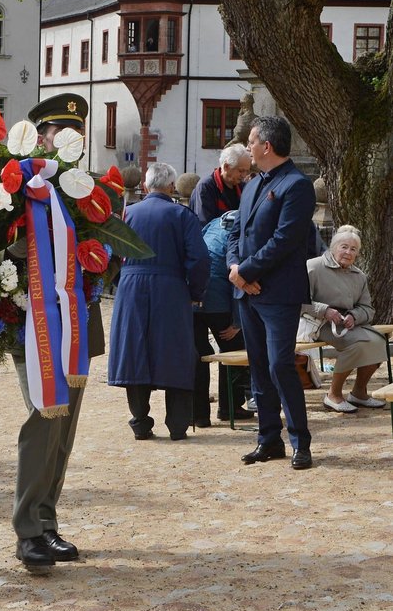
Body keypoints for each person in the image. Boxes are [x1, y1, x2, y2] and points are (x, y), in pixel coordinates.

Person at [4, 93, 100, 572]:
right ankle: (27, 530)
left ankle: (46, 519)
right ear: (38, 136)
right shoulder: (16, 187)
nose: (67, 142)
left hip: (78, 329)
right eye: (58, 133)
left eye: (75, 135)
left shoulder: (90, 191)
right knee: (43, 418)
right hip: (35, 324)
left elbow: (106, 249)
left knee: (63, 429)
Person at [228, 115, 316, 470]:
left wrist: (246, 272)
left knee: (281, 365)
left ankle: (301, 442)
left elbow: (285, 240)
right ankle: (268, 439)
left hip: (278, 293)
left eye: (251, 141)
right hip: (248, 291)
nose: (247, 146)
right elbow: (235, 232)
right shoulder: (251, 184)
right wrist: (236, 271)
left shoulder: (297, 185)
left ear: (267, 145)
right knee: (259, 368)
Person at [108, 162, 210, 440]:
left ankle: (140, 422)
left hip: (131, 286)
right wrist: (195, 292)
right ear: (172, 187)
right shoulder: (181, 215)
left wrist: (121, 282)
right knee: (176, 353)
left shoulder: (127, 213)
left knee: (135, 351)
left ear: (145, 186)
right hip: (171, 288)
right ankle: (177, 425)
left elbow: (111, 254)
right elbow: (200, 258)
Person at [304, 225, 387, 412]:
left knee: (379, 342)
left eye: (353, 249)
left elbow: (367, 309)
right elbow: (297, 302)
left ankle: (359, 393)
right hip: (317, 323)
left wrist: (353, 316)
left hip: (346, 325)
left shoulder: (359, 276)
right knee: (357, 345)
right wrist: (325, 310)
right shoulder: (313, 266)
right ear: (333, 247)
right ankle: (333, 395)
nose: (348, 252)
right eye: (344, 247)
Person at [192, 210, 254, 426]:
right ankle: (230, 407)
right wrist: (237, 322)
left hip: (194, 299)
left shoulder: (213, 224)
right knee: (233, 354)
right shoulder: (243, 235)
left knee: (198, 356)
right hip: (219, 303)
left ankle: (198, 414)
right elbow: (236, 278)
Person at [189, 144, 252, 226]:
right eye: (241, 171)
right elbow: (205, 225)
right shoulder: (206, 187)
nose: (244, 175)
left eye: (246, 171)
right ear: (226, 166)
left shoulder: (243, 187)